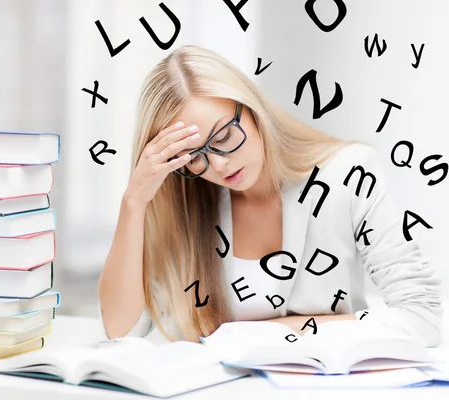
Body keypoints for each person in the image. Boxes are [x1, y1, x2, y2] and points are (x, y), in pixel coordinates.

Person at [97, 45, 443, 347]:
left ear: (252, 109)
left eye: (224, 136)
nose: (218, 164)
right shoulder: (188, 199)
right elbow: (121, 331)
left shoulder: (348, 171)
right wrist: (134, 202)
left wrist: (282, 331)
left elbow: (422, 317)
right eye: (194, 155)